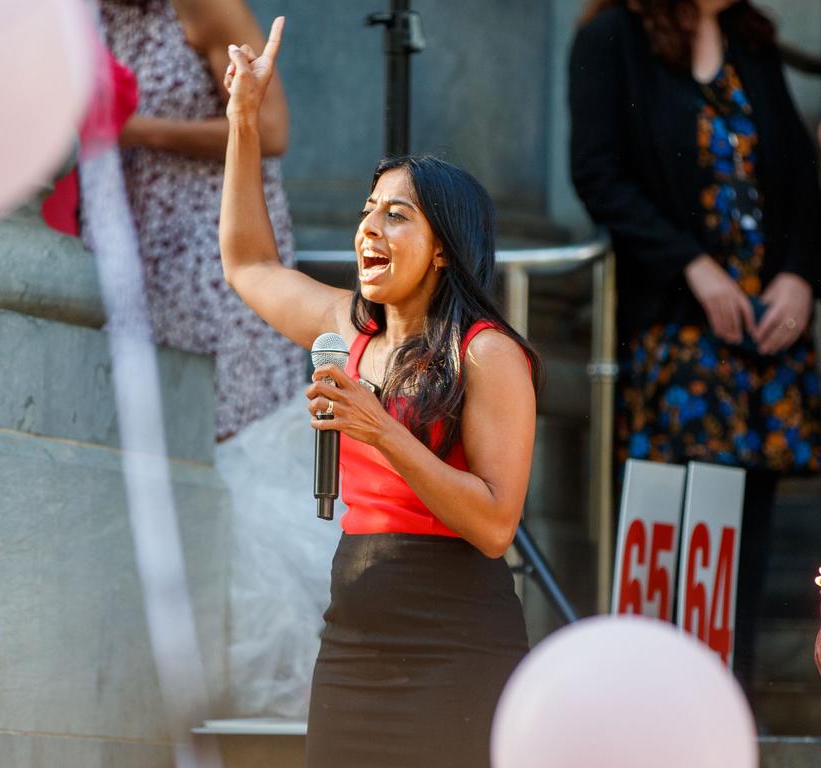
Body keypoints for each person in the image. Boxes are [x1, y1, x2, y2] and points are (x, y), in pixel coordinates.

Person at [220, 19, 539, 766]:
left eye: (397, 214)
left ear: (442, 250)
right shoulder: (347, 327)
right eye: (368, 209)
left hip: (455, 640)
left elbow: (495, 526)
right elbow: (246, 263)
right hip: (355, 639)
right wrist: (241, 122)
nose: (371, 224)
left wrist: (381, 430)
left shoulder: (486, 354)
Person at [570, 0, 821, 694]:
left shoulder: (750, 39)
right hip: (677, 336)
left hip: (765, 338)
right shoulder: (612, 36)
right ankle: (660, 712)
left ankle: (727, 706)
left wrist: (801, 277)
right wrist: (693, 264)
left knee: (746, 539)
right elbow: (597, 174)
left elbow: (804, 180)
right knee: (673, 541)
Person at [100, 0, 302, 441]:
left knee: (236, 427)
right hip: (136, 247)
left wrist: (137, 131)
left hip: (217, 244)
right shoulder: (82, 16)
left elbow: (271, 128)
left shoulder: (201, 5)